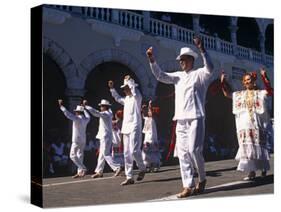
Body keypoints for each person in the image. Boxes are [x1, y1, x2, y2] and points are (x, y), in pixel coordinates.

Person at [146, 36, 214, 198]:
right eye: (179, 60)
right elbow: (160, 76)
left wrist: (202, 49)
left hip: (196, 118)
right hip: (180, 119)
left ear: (190, 60)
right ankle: (188, 185)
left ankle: (202, 178)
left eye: (183, 59)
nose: (180, 62)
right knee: (183, 153)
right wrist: (152, 60)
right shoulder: (178, 76)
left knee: (194, 151)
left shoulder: (200, 74)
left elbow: (210, 68)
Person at [220, 68, 273, 180]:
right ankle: (251, 172)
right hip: (244, 125)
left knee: (258, 146)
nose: (248, 81)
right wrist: (223, 82)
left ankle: (263, 168)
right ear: (243, 83)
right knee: (248, 148)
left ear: (254, 81)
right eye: (246, 80)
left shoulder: (260, 93)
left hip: (256, 124)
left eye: (250, 79)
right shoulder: (239, 95)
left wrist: (264, 76)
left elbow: (270, 91)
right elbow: (227, 94)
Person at [108, 76, 146, 185]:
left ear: (130, 87)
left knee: (134, 150)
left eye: (126, 87)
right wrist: (112, 89)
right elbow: (117, 98)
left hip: (135, 126)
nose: (124, 90)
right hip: (126, 128)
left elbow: (134, 90)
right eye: (124, 88)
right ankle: (129, 177)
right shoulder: (126, 100)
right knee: (126, 153)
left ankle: (142, 168)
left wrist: (129, 80)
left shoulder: (137, 97)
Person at [83, 99, 122, 178]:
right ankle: (99, 171)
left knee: (105, 153)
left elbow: (95, 113)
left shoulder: (106, 114)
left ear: (105, 107)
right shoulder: (109, 112)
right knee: (101, 154)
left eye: (101, 106)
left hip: (105, 136)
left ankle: (117, 167)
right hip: (104, 135)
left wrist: (86, 106)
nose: (100, 107)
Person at [58, 99, 90, 178]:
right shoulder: (86, 119)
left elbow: (67, 114)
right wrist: (84, 108)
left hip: (76, 140)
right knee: (80, 155)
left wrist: (61, 106)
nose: (75, 112)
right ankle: (80, 172)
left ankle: (83, 168)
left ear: (77, 112)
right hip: (83, 140)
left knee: (72, 155)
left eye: (76, 111)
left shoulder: (77, 118)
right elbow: (88, 116)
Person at [141, 100, 161, 172]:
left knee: (153, 152)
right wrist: (143, 109)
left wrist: (149, 105)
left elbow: (150, 113)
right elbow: (144, 114)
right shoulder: (147, 118)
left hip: (152, 138)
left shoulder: (152, 119)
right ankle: (147, 165)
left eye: (149, 111)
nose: (148, 112)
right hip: (147, 137)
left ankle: (155, 165)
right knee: (146, 152)